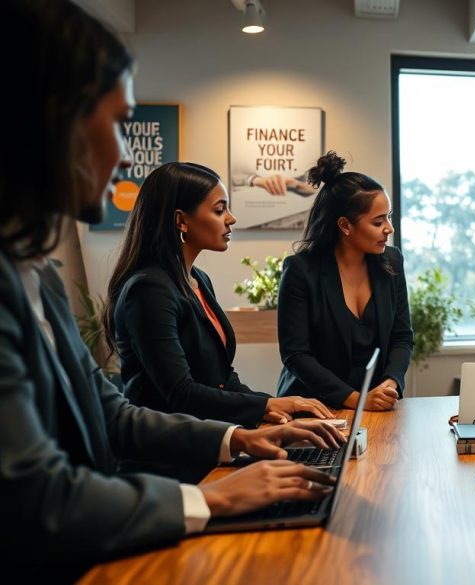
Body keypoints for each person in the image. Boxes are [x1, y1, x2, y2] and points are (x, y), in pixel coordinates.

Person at [0, 1, 343, 575]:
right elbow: (35, 496)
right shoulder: (141, 288)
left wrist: (240, 436)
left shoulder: (40, 278)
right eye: (113, 122)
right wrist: (209, 497)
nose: (128, 153)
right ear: (49, 122)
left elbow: (113, 413)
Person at [105, 162, 334, 431]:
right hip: (169, 456)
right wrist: (266, 407)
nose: (231, 218)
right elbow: (181, 393)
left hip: (208, 438)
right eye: (219, 209)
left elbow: (223, 380)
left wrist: (280, 406)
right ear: (181, 220)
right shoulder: (148, 290)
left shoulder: (198, 279)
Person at [276, 152, 413, 411]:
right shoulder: (300, 270)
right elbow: (296, 355)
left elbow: (402, 336)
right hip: (313, 409)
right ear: (345, 225)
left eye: (389, 217)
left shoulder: (392, 262)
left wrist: (391, 383)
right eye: (378, 221)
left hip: (377, 406)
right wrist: (355, 399)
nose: (389, 228)